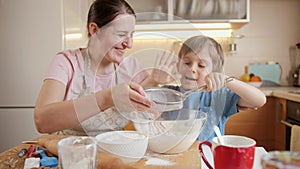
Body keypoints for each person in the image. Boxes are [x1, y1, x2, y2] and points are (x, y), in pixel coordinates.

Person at [34, 0, 159, 136]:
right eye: (121, 34)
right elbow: (42, 121)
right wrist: (106, 98)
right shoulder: (67, 63)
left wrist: (155, 83)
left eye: (131, 35)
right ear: (94, 30)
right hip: (75, 152)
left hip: (117, 152)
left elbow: (152, 114)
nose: (129, 44)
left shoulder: (130, 66)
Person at [150, 35, 266, 141]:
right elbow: (136, 100)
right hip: (175, 158)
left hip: (209, 159)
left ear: (214, 72)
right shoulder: (168, 94)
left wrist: (226, 80)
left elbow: (259, 100)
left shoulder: (220, 96)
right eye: (186, 62)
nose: (192, 69)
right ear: (178, 66)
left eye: (201, 65)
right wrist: (153, 80)